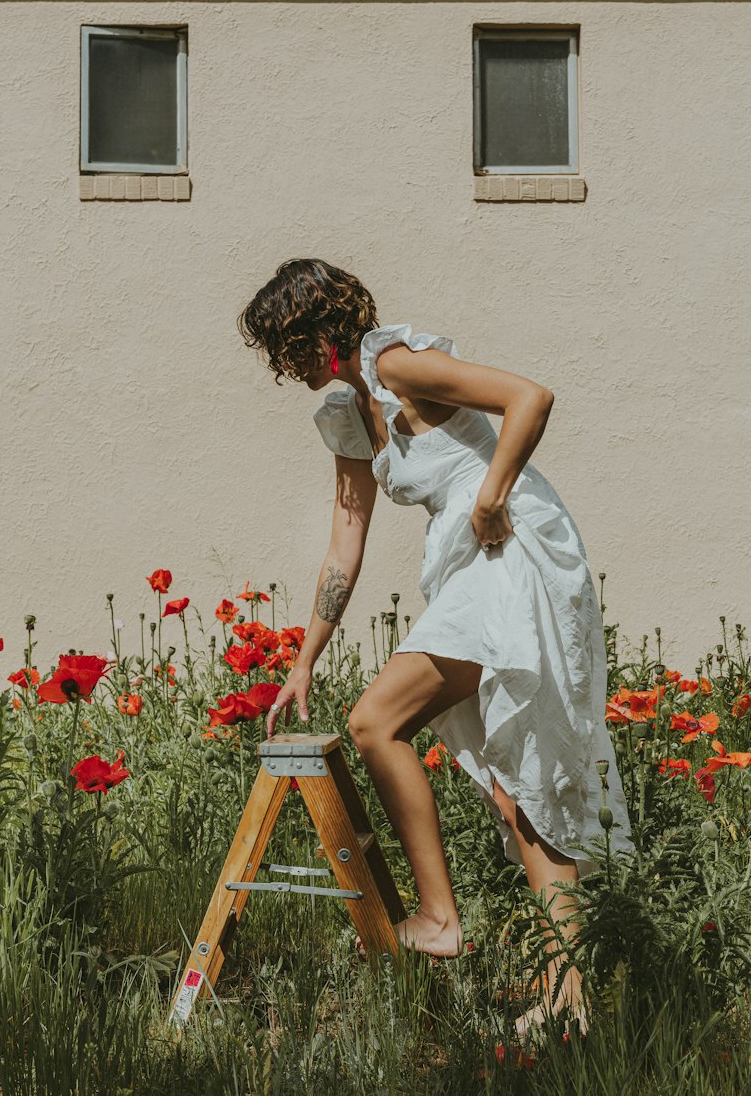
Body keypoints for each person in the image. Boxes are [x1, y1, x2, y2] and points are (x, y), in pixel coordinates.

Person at [236, 257, 633, 1041]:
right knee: (515, 777)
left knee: (376, 723)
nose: (281, 369)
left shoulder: (395, 362)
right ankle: (570, 997)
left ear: (314, 336)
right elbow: (345, 545)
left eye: (283, 349)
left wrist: (488, 497)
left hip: (514, 549)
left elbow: (531, 397)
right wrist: (303, 658)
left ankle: (439, 917)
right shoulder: (352, 410)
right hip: (470, 570)